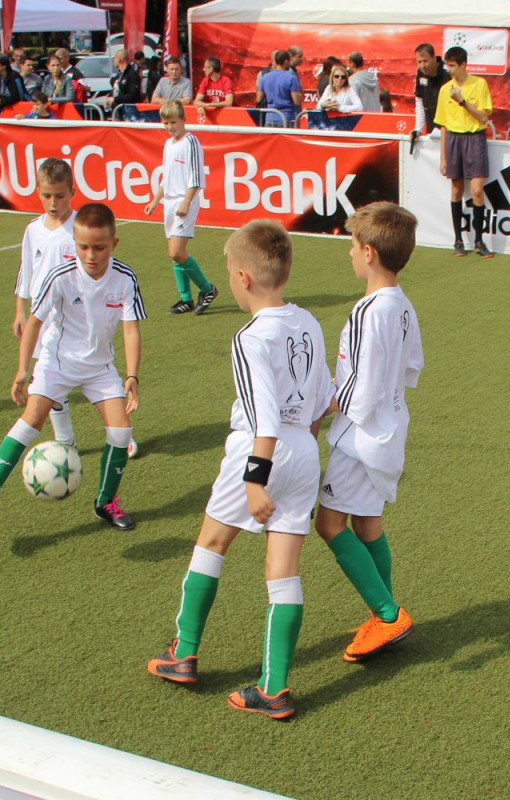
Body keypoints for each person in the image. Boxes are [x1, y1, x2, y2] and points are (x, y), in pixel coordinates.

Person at [146, 219, 332, 720]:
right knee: (284, 571)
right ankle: (274, 688)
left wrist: (255, 479)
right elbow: (323, 399)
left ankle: (183, 653)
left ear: (244, 278)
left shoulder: (249, 337)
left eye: (229, 270)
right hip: (304, 450)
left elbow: (264, 417)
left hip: (259, 450)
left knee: (212, 542)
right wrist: (301, 451)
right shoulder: (309, 322)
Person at [0, 202, 145, 530]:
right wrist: (22, 369)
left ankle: (105, 503)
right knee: (31, 419)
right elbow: (34, 323)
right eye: (83, 247)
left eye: (99, 247)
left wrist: (132, 375)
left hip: (100, 367)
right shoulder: (60, 276)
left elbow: (131, 329)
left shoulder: (125, 278)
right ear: (75, 243)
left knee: (121, 430)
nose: (90, 255)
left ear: (113, 243)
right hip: (57, 363)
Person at [315, 201, 422, 663]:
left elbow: (357, 387)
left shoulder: (367, 311)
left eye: (353, 245)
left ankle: (387, 613)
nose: (350, 253)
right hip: (390, 429)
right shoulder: (403, 306)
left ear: (370, 253)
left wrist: (320, 408)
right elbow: (411, 368)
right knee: (367, 523)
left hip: (360, 437)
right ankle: (383, 614)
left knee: (328, 524)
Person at [10, 159, 80, 451]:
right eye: (47, 195)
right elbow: (26, 271)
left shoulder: (81, 227)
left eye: (60, 195)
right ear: (38, 192)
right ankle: (66, 440)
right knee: (48, 379)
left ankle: (119, 434)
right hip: (42, 320)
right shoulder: (33, 230)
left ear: (72, 192)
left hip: (76, 319)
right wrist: (20, 310)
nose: (53, 203)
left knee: (96, 380)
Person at [142, 101, 219, 315]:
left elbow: (196, 176)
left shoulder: (191, 142)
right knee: (175, 254)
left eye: (173, 122)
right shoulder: (168, 144)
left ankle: (207, 289)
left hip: (184, 201)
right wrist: (155, 200)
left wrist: (187, 202)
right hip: (169, 202)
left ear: (184, 120)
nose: (170, 127)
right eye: (166, 123)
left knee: (176, 251)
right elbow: (166, 177)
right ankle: (186, 299)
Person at [435, 46, 494, 258]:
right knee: (456, 189)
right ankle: (458, 240)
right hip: (453, 140)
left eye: (452, 65)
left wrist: (462, 102)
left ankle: (479, 241)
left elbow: (484, 117)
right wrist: (443, 156)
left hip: (475, 138)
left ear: (463, 65)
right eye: (447, 65)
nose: (449, 69)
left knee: (477, 190)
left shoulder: (479, 84)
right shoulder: (445, 90)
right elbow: (443, 125)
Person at [412, 43, 449, 134]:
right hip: (432, 129)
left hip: (450, 130)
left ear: (434, 58)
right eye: (419, 62)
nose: (423, 65)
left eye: (425, 61)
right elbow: (420, 101)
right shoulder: (420, 72)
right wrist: (418, 129)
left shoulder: (448, 72)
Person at [260, 50, 303, 127]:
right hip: (286, 118)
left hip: (270, 118)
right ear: (286, 61)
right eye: (289, 61)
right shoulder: (291, 78)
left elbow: (258, 98)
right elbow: (297, 101)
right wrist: (301, 92)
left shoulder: (265, 77)